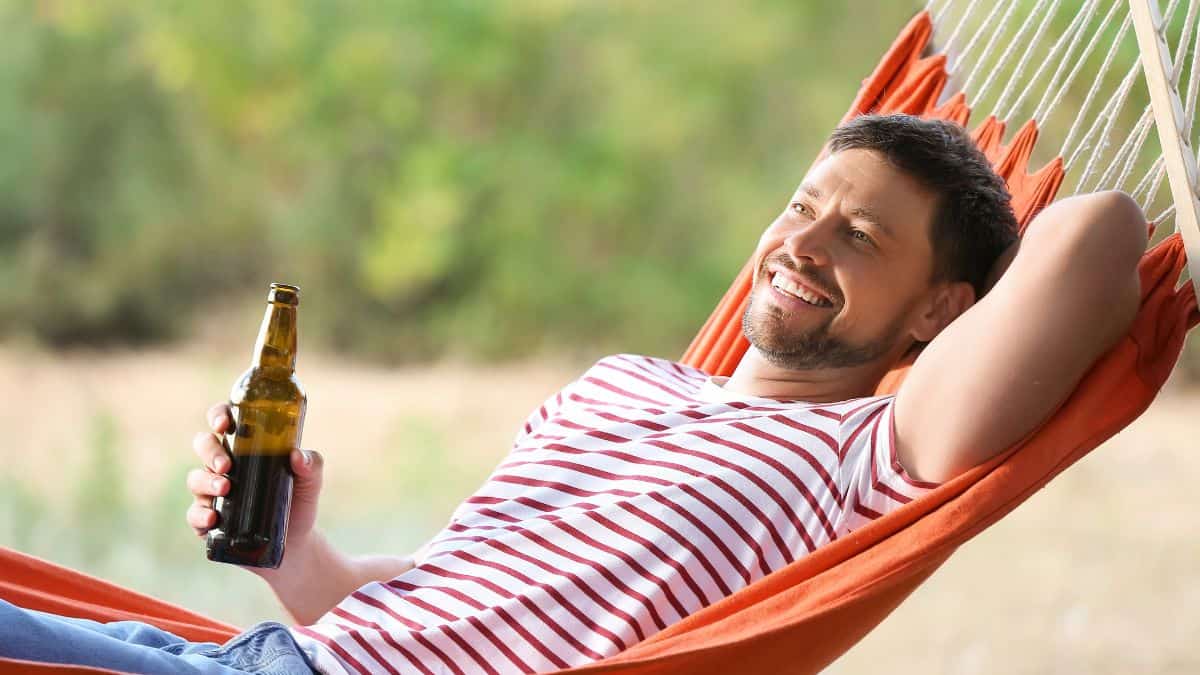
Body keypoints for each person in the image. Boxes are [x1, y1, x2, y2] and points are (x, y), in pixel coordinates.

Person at [0, 114, 1147, 674]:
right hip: (266, 656)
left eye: (861, 236)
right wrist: (299, 558)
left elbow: (1097, 236)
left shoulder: (870, 449)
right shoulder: (623, 383)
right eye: (803, 205)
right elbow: (456, 596)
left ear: (939, 313)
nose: (805, 244)